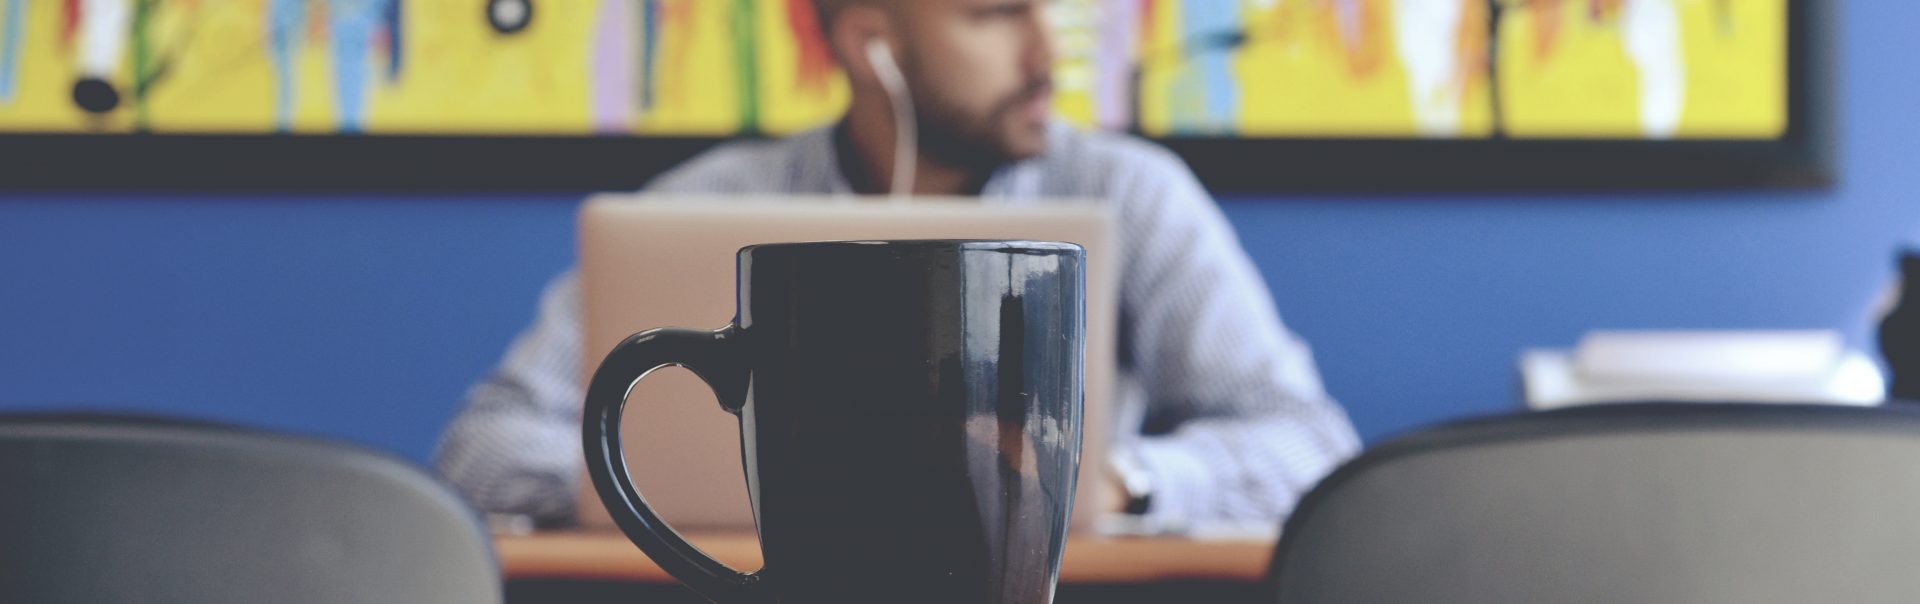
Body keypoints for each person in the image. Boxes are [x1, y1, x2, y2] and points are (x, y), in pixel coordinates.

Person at [435, 0, 1361, 530]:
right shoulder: (703, 204)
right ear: (868, 35)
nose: (1047, 54)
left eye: (1051, 12)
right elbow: (481, 449)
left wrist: (1115, 481)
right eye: (995, 13)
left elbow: (1309, 447)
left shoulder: (1133, 193)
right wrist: (646, 483)